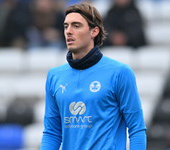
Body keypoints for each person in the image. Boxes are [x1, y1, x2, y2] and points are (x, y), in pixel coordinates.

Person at [40, 2, 146, 150]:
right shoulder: (54, 76)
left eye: (76, 26)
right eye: (66, 26)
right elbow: (52, 133)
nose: (69, 31)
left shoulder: (120, 73)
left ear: (94, 31)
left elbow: (137, 129)